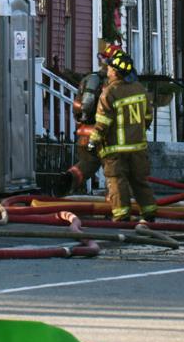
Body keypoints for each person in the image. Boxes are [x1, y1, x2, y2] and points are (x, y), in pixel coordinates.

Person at [89, 48, 157, 224]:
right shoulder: (140, 89)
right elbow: (148, 117)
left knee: (116, 181)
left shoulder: (109, 92)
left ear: (117, 72)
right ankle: (149, 213)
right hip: (138, 147)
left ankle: (121, 216)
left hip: (115, 148)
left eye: (111, 68)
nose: (108, 71)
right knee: (140, 180)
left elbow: (103, 122)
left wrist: (93, 141)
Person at [53, 44, 122, 198]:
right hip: (107, 136)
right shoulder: (116, 84)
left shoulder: (90, 79)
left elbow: (82, 106)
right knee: (115, 171)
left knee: (85, 166)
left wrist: (82, 118)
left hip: (85, 135)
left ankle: (69, 179)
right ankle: (114, 206)